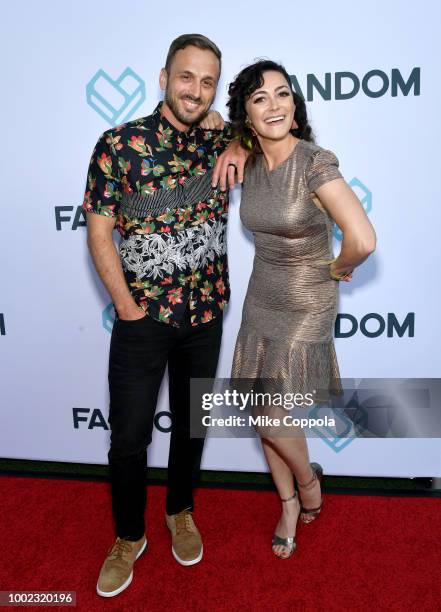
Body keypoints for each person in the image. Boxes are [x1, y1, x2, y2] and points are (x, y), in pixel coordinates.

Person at [83, 33, 247, 597]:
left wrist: (239, 143)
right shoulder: (118, 144)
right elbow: (99, 233)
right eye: (186, 77)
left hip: (205, 313)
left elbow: (265, 130)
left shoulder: (223, 136)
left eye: (207, 82)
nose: (195, 91)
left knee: (191, 424)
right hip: (142, 319)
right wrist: (127, 308)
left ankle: (180, 510)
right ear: (164, 78)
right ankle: (129, 536)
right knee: (128, 437)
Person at [227, 60, 376, 559]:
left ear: (296, 105)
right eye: (260, 98)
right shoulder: (247, 158)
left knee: (271, 415)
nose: (274, 105)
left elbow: (362, 239)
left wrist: (336, 269)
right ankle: (289, 502)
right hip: (261, 293)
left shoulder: (314, 162)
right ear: (246, 114)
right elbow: (203, 116)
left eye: (283, 94)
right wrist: (232, 141)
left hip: (307, 298)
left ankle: (309, 484)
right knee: (265, 408)